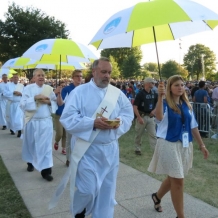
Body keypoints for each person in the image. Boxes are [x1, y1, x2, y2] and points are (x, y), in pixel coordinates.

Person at [58, 57, 134, 217]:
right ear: (94, 72)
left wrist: (119, 122)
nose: (107, 76)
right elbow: (67, 118)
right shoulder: (79, 92)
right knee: (88, 190)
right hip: (87, 150)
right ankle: (80, 210)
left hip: (110, 150)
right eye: (103, 72)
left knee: (106, 193)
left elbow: (128, 113)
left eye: (109, 72)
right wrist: (92, 123)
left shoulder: (117, 93)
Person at [148, 75, 209, 218]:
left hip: (184, 145)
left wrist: (202, 145)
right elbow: (158, 118)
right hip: (168, 144)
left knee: (173, 177)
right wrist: (160, 97)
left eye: (182, 85)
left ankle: (156, 197)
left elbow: (193, 126)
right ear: (169, 87)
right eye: (176, 85)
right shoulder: (163, 103)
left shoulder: (187, 105)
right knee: (178, 180)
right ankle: (180, 216)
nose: (180, 87)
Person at [20, 69, 57, 181]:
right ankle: (30, 162)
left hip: (45, 122)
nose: (41, 77)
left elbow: (54, 102)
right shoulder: (28, 89)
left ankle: (46, 171)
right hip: (32, 121)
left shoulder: (49, 89)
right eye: (39, 75)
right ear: (34, 77)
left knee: (46, 147)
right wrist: (34, 98)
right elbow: (22, 104)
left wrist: (49, 102)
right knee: (31, 143)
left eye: (43, 75)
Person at [55, 70, 83, 166]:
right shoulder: (67, 89)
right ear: (73, 78)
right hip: (71, 117)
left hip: (82, 118)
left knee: (81, 139)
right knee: (69, 138)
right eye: (77, 76)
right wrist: (59, 94)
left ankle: (79, 158)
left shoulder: (84, 89)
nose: (79, 78)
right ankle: (69, 159)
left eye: (80, 76)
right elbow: (60, 103)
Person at [133, 77, 158, 155]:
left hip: (150, 117)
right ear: (147, 83)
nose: (154, 84)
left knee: (153, 135)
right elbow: (135, 107)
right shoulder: (140, 94)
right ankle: (137, 148)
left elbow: (158, 103)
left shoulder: (154, 93)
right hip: (142, 116)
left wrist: (154, 111)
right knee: (139, 134)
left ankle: (155, 151)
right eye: (152, 83)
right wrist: (139, 117)